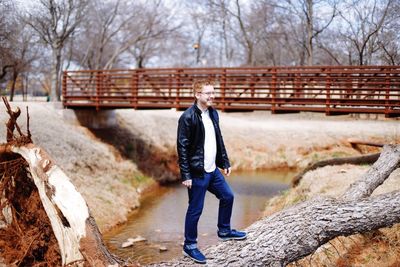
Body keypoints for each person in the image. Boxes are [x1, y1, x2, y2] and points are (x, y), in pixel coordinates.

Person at [176, 79, 247, 264]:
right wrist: (186, 175)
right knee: (195, 209)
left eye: (212, 92)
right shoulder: (188, 117)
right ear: (197, 95)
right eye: (208, 93)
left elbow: (218, 139)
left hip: (212, 170)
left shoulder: (213, 114)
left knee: (228, 196)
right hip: (197, 172)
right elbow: (182, 147)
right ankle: (189, 246)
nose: (211, 96)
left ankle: (224, 231)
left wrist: (224, 162)